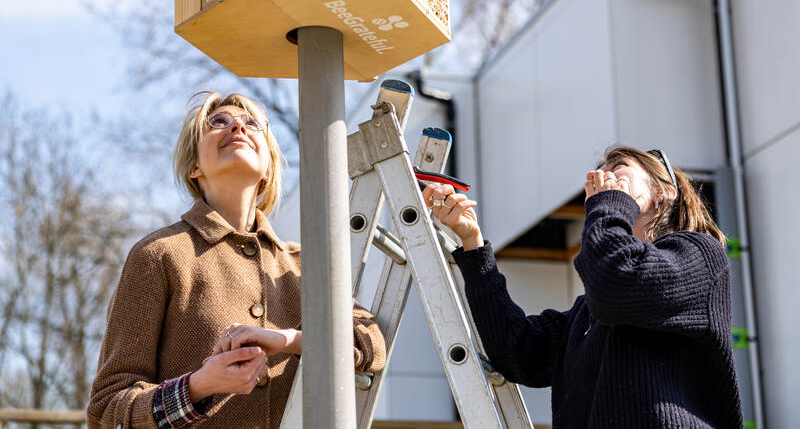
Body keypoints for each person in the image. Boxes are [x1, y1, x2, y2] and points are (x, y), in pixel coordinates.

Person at [88, 92, 385, 428]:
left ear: (268, 168)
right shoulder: (158, 255)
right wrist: (199, 386)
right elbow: (106, 412)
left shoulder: (304, 264)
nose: (237, 127)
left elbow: (371, 340)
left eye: (251, 123)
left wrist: (288, 340)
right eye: (218, 123)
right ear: (194, 167)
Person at [422, 145, 742, 428]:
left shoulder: (699, 253)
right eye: (597, 177)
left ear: (663, 192)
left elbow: (618, 282)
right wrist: (473, 244)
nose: (600, 180)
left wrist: (607, 203)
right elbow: (517, 352)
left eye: (617, 170)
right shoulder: (586, 313)